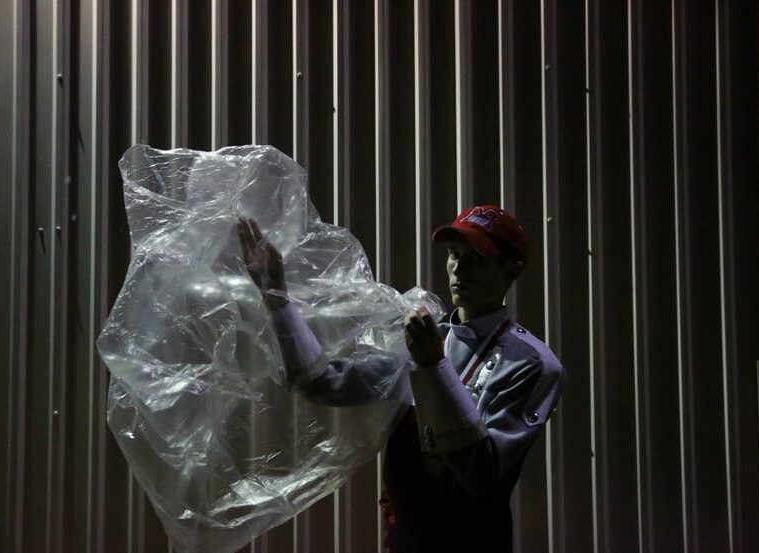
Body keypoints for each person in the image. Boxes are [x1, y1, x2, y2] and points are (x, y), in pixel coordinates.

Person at [237, 205, 566, 553]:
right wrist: (276, 296)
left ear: (511, 271)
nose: (460, 269)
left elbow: (480, 474)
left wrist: (433, 367)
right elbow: (319, 382)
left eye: (479, 259)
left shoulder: (531, 364)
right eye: (455, 254)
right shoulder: (425, 339)